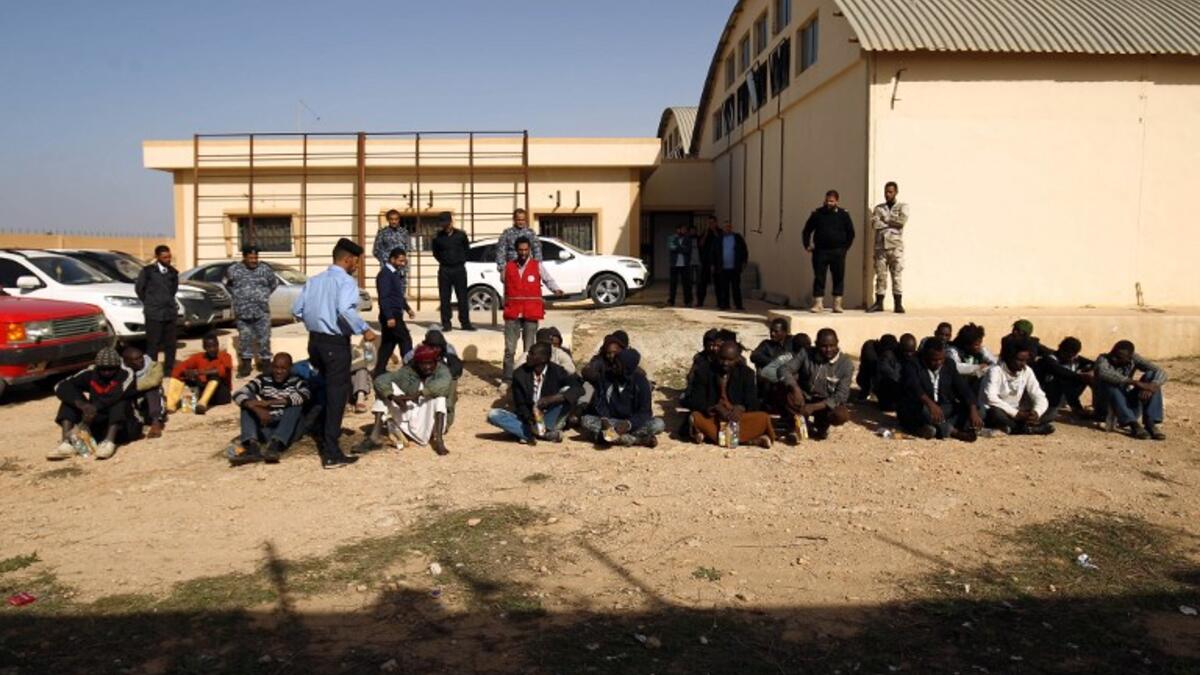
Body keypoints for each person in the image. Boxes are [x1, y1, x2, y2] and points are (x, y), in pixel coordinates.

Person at [291, 237, 378, 469]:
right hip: (335, 344)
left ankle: (312, 428)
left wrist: (318, 320)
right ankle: (331, 452)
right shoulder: (346, 283)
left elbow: (297, 310)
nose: (356, 266)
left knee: (323, 387)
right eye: (356, 262)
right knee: (337, 395)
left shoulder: (315, 280)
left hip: (315, 342)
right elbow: (344, 311)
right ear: (347, 259)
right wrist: (365, 330)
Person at [47, 347, 137, 460]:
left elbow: (116, 395)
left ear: (118, 367)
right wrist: (81, 404)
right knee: (70, 401)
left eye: (111, 369)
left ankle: (109, 442)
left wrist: (93, 407)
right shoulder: (90, 373)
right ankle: (67, 444)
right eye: (103, 369)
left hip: (122, 427)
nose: (107, 372)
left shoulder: (126, 374)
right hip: (95, 420)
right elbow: (61, 386)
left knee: (120, 403)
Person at [488, 342, 583, 444]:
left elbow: (579, 388)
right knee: (494, 414)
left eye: (532, 354)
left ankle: (528, 433)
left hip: (549, 416)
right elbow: (521, 405)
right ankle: (540, 434)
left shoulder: (557, 371)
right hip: (530, 418)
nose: (528, 356)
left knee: (566, 391)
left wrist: (552, 399)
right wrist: (531, 420)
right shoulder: (520, 374)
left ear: (544, 358)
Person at [684, 341, 773, 448]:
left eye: (729, 360)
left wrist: (741, 408)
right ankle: (750, 440)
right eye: (722, 358)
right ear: (717, 356)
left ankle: (709, 437)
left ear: (737, 359)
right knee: (696, 417)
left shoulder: (747, 373)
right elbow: (695, 400)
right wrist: (715, 408)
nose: (725, 363)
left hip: (736, 417)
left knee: (763, 418)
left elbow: (753, 401)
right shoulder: (704, 371)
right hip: (714, 416)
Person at [500, 237, 564, 386]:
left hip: (531, 312)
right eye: (520, 250)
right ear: (516, 250)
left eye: (525, 250)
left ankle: (525, 378)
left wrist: (556, 289)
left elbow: (548, 280)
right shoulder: (508, 267)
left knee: (529, 349)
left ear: (529, 250)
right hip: (513, 312)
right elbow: (504, 281)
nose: (523, 253)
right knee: (510, 349)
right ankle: (507, 379)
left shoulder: (537, 266)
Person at [369, 344, 454, 455]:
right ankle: (373, 437)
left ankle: (439, 440)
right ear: (417, 363)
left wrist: (415, 395)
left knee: (440, 398)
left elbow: (442, 385)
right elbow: (381, 380)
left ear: (435, 362)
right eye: (423, 364)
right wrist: (392, 397)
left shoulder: (442, 370)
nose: (427, 367)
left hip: (431, 421)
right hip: (411, 416)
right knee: (383, 394)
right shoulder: (408, 371)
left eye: (430, 363)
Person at [228, 353, 311, 466]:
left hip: (289, 430)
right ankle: (252, 447)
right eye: (276, 367)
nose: (279, 371)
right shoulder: (263, 380)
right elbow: (238, 393)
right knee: (246, 402)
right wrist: (256, 408)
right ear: (272, 366)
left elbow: (305, 396)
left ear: (290, 368)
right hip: (267, 424)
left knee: (295, 404)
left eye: (283, 368)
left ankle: (276, 446)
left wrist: (268, 403)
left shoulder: (297, 382)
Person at [898, 338, 983, 441]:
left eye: (941, 359)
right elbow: (914, 387)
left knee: (974, 408)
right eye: (934, 360)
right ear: (925, 356)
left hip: (941, 408)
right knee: (923, 411)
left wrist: (973, 409)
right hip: (920, 407)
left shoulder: (949, 364)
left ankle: (932, 429)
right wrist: (930, 404)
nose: (939, 363)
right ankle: (953, 432)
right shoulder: (912, 364)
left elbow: (963, 388)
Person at [582, 348, 664, 448]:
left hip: (632, 424)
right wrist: (605, 420)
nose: (613, 366)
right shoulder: (607, 378)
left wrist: (629, 424)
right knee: (586, 421)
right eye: (614, 363)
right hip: (612, 422)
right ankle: (638, 440)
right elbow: (600, 403)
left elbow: (645, 412)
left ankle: (608, 438)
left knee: (658, 424)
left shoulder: (641, 383)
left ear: (627, 368)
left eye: (617, 364)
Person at [781, 328, 854, 439]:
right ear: (816, 345)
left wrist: (813, 407)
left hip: (825, 403)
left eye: (832, 345)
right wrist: (795, 388)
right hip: (804, 397)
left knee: (841, 414)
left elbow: (841, 396)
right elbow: (785, 369)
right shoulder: (805, 353)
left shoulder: (846, 363)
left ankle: (822, 426)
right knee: (788, 392)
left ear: (837, 344)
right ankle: (796, 424)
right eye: (824, 346)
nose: (828, 349)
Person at [1094, 341, 1167, 440]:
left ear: (1129, 357)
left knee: (1151, 376)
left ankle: (1150, 423)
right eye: (1113, 354)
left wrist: (1152, 386)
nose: (1114, 358)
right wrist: (1135, 383)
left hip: (1126, 403)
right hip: (1108, 406)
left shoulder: (1134, 359)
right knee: (1110, 383)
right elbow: (1103, 373)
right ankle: (1133, 425)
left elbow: (1160, 371)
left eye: (1119, 357)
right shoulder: (1103, 359)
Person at [979, 337, 1053, 435]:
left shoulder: (1027, 371)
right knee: (995, 413)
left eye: (1026, 360)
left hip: (1017, 412)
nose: (1023, 364)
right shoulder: (995, 371)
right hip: (998, 411)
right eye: (1020, 360)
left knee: (1049, 413)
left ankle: (1018, 427)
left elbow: (1038, 394)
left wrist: (1036, 412)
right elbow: (990, 398)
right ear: (1009, 357)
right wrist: (1015, 414)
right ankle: (1025, 429)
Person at [224, 245, 279, 377]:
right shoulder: (234, 270)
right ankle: (246, 365)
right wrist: (238, 296)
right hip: (242, 312)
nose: (254, 260)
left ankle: (266, 364)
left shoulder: (265, 269)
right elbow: (226, 283)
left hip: (261, 311)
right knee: (244, 338)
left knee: (264, 338)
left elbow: (274, 284)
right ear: (244, 257)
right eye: (251, 258)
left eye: (256, 257)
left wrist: (263, 296)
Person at [803, 190, 855, 313]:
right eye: (827, 200)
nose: (828, 203)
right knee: (819, 277)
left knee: (838, 277)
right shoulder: (817, 214)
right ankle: (818, 303)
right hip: (820, 251)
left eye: (831, 201)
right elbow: (807, 230)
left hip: (838, 252)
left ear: (837, 201)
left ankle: (837, 304)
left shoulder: (843, 215)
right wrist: (807, 244)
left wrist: (845, 248)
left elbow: (851, 233)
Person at [135, 245, 179, 372]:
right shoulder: (148, 271)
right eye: (164, 257)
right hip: (154, 313)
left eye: (169, 257)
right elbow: (140, 289)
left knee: (170, 344)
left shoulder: (173, 272)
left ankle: (169, 370)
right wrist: (151, 302)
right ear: (157, 257)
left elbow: (173, 291)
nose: (168, 259)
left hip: (169, 313)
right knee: (153, 344)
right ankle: (152, 370)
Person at [867, 181, 908, 314]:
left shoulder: (902, 207)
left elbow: (901, 222)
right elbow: (874, 225)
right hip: (881, 247)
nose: (887, 194)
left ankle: (898, 304)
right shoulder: (879, 208)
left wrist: (885, 220)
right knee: (881, 276)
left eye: (890, 192)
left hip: (895, 248)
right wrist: (891, 222)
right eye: (886, 191)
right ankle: (879, 303)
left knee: (896, 276)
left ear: (896, 192)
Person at [168, 332, 233, 414]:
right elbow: (179, 368)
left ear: (218, 345)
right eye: (209, 347)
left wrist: (198, 372)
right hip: (203, 390)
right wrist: (187, 372)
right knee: (183, 375)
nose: (212, 349)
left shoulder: (225, 356)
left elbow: (222, 370)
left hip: (221, 395)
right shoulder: (198, 357)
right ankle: (171, 405)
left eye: (215, 346)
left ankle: (202, 404)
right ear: (204, 347)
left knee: (215, 376)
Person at [374, 247, 415, 378]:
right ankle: (410, 370)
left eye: (404, 261)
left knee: (388, 344)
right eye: (400, 261)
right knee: (405, 339)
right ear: (392, 259)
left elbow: (397, 296)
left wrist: (407, 308)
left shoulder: (394, 274)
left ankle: (379, 371)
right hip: (391, 315)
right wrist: (389, 316)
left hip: (395, 313)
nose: (403, 264)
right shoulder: (385, 275)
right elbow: (384, 297)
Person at [430, 211, 474, 332]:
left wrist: (460, 260)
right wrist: (444, 261)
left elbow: (467, 249)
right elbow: (435, 253)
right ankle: (446, 324)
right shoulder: (437, 238)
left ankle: (465, 323)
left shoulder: (461, 235)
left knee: (462, 297)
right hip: (444, 269)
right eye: (442, 223)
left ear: (450, 222)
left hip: (459, 269)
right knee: (445, 298)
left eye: (446, 223)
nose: (444, 226)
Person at [1035, 337, 1095, 421]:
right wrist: (1081, 376)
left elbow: (1094, 364)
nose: (1070, 358)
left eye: (1073, 355)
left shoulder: (1075, 359)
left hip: (1066, 395)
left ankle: (1099, 410)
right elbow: (1060, 371)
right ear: (1061, 349)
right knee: (1063, 379)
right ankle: (1076, 407)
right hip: (1048, 396)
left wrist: (1090, 371)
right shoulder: (1049, 359)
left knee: (1090, 376)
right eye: (1068, 354)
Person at [120, 344, 165, 439]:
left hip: (149, 401)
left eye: (141, 357)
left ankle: (156, 422)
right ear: (126, 362)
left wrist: (130, 387)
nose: (140, 360)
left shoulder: (153, 366)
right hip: (132, 400)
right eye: (136, 359)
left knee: (152, 389)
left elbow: (153, 381)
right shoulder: (121, 370)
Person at [946, 323, 996, 393]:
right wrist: (978, 367)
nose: (979, 347)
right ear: (966, 345)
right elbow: (956, 367)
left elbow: (995, 364)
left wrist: (981, 371)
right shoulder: (952, 351)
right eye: (976, 345)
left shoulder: (981, 350)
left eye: (980, 343)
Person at [856, 334, 900, 409]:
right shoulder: (870, 347)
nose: (888, 352)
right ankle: (866, 392)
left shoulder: (896, 350)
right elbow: (874, 367)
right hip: (868, 376)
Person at [713, 221, 749, 311]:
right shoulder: (719, 238)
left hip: (735, 268)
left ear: (731, 228)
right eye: (725, 227)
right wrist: (713, 264)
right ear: (723, 229)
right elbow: (713, 252)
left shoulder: (737, 237)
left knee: (736, 287)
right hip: (723, 268)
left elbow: (744, 250)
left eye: (729, 227)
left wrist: (744, 261)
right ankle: (724, 305)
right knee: (724, 288)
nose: (727, 228)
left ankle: (738, 305)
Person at [694, 216, 720, 308]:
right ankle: (700, 302)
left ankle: (720, 303)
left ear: (716, 223)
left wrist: (714, 231)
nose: (711, 224)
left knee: (718, 283)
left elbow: (720, 242)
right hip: (705, 262)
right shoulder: (705, 233)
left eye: (713, 222)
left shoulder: (719, 232)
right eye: (709, 223)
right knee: (702, 283)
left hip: (717, 262)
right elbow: (700, 244)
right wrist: (705, 234)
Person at [666, 221, 694, 307]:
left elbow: (688, 250)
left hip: (685, 265)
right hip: (674, 265)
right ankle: (671, 301)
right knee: (673, 284)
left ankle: (688, 301)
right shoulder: (671, 238)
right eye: (683, 229)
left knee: (686, 284)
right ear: (678, 230)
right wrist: (681, 248)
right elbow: (671, 247)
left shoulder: (688, 239)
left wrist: (678, 248)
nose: (684, 231)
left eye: (685, 229)